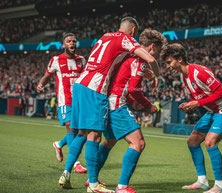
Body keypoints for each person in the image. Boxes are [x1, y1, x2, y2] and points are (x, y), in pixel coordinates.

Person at [58, 17, 160, 193]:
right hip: (95, 87)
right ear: (133, 30)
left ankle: (67, 173)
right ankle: (93, 184)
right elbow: (149, 58)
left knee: (82, 134)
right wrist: (157, 74)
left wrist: (146, 74)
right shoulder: (126, 39)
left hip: (81, 83)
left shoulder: (105, 36)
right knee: (95, 136)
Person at [84, 28, 166, 193]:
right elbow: (133, 89)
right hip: (116, 104)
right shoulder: (140, 59)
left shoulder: (128, 54)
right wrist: (148, 105)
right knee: (138, 143)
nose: (157, 56)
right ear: (151, 46)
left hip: (106, 102)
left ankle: (91, 178)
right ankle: (122, 187)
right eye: (157, 51)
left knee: (109, 141)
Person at [160, 43, 222, 193]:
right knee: (193, 141)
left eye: (169, 62)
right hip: (212, 112)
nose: (168, 66)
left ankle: (220, 186)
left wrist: (197, 103)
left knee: (210, 141)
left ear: (180, 59)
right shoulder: (184, 77)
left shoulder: (199, 72)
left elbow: (221, 94)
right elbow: (201, 97)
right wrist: (190, 104)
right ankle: (202, 181)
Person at [36, 32, 87, 173]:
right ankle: (76, 162)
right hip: (65, 101)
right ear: (63, 45)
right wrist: (41, 84)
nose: (72, 43)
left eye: (74, 41)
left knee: (78, 132)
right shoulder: (56, 60)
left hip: (79, 101)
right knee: (71, 127)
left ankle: (59, 144)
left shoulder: (82, 60)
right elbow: (47, 76)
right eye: (69, 41)